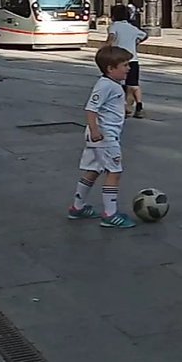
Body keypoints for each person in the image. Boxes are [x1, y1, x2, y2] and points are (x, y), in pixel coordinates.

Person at [67, 45, 136, 229]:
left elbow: (109, 106)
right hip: (105, 138)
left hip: (99, 138)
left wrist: (125, 109)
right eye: (125, 65)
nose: (128, 68)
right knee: (114, 172)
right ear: (111, 69)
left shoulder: (112, 84)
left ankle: (77, 207)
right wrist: (96, 130)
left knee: (93, 170)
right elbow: (91, 109)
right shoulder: (105, 85)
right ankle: (110, 214)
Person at [106, 4, 148, 118]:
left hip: (119, 59)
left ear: (113, 15)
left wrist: (105, 49)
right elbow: (144, 35)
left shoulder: (114, 26)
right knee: (134, 84)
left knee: (118, 84)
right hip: (133, 59)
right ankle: (138, 107)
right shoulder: (132, 28)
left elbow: (111, 38)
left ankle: (123, 108)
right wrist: (136, 42)